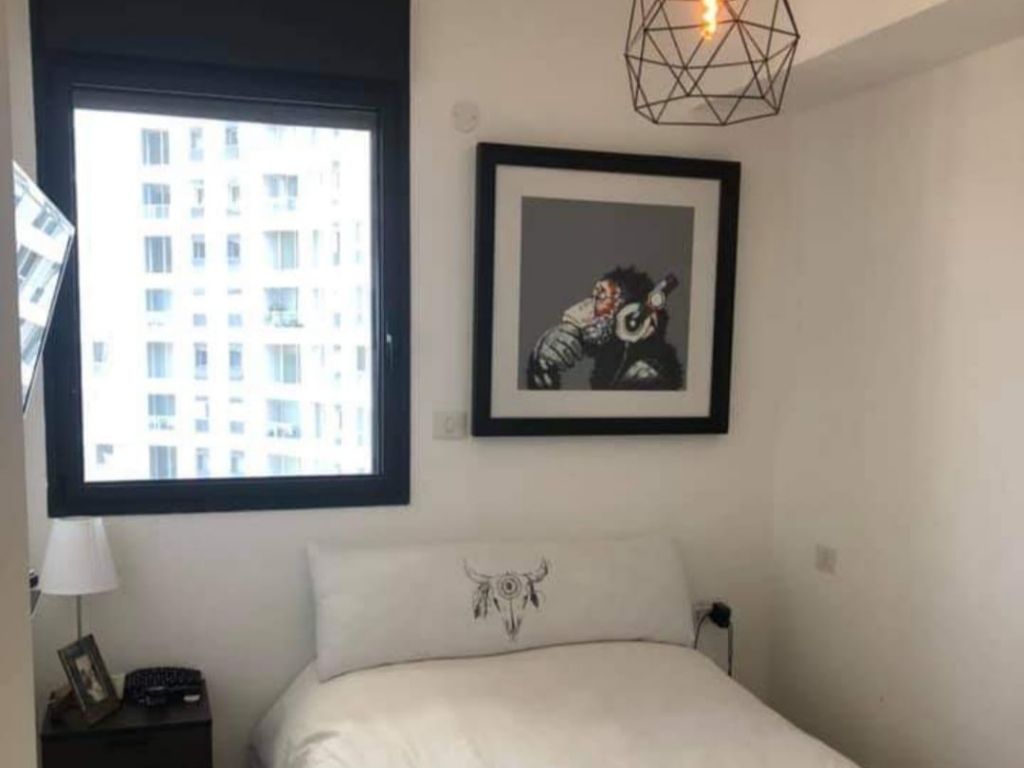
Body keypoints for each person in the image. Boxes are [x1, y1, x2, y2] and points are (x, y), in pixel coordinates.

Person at [526, 267, 684, 390]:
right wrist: (541, 366)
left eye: (600, 297)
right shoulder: (613, 369)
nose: (578, 308)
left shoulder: (645, 377)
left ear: (638, 324)